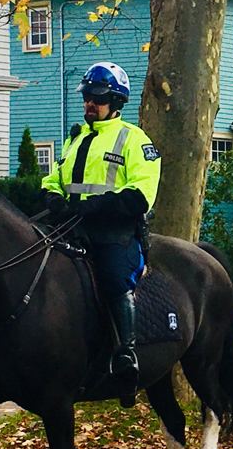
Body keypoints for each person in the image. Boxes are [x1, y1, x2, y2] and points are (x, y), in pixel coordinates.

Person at [42, 61, 161, 407]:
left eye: (98, 97)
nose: (90, 103)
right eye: (87, 97)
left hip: (115, 234)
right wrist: (52, 197)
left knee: (112, 280)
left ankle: (127, 355)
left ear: (115, 101)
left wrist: (98, 205)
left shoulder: (134, 140)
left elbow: (141, 194)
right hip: (72, 227)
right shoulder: (75, 139)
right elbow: (55, 180)